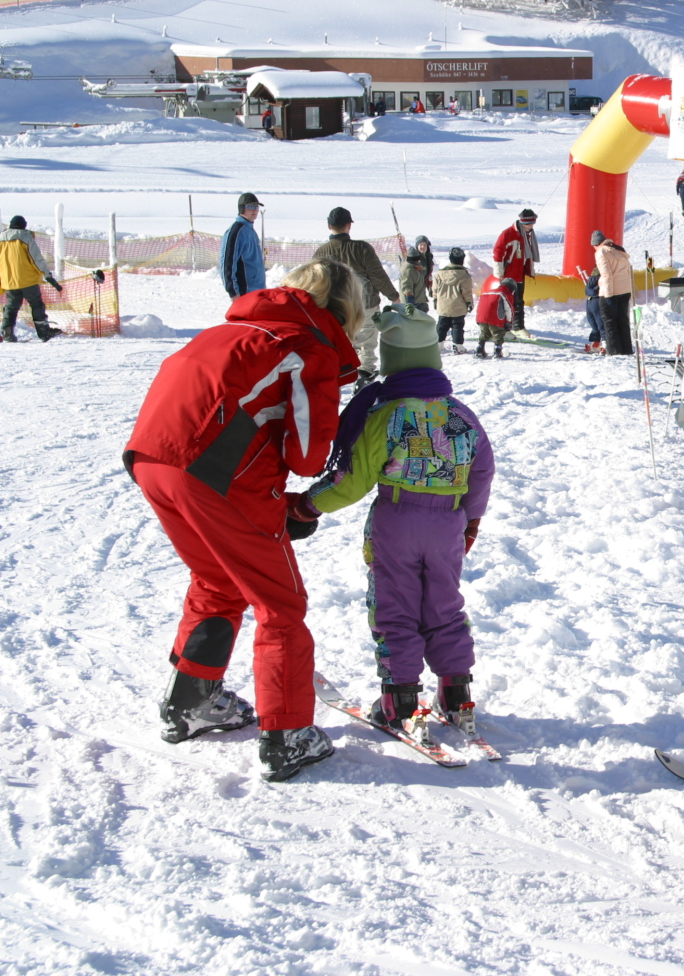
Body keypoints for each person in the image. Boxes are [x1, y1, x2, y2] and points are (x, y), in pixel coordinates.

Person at [124, 259, 364, 782]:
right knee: (280, 604)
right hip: (213, 474)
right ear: (345, 310)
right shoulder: (306, 348)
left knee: (216, 579)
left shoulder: (233, 328)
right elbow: (305, 455)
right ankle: (287, 734)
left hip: (152, 459)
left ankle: (190, 700)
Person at [292, 305, 495, 737]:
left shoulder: (387, 414)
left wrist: (309, 504)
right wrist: (471, 519)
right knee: (443, 603)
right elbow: (482, 468)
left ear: (391, 360)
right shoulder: (461, 414)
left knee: (394, 605)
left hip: (397, 520)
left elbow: (354, 478)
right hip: (448, 525)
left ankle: (399, 700)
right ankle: (456, 693)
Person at [314, 206, 399, 385]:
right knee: (366, 342)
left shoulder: (320, 253)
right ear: (349, 225)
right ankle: (364, 376)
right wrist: (393, 296)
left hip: (335, 308)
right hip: (365, 304)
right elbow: (377, 275)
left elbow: (314, 283)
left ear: (329, 226)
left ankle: (340, 376)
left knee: (341, 342)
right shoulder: (362, 248)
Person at [0, 216, 63, 343]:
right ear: (23, 225)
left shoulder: (1, 239)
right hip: (27, 279)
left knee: (11, 307)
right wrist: (47, 275)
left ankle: (7, 334)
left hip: (9, 280)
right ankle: (44, 332)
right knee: (36, 304)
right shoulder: (25, 237)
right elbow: (36, 259)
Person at [492, 209, 539, 336]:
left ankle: (517, 326)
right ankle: (504, 327)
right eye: (529, 224)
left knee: (518, 301)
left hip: (520, 274)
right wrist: (499, 273)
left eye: (533, 224)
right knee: (506, 301)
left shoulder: (528, 234)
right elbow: (498, 253)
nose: (531, 226)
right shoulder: (508, 234)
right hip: (508, 274)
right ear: (523, 222)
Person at [592, 230, 633, 356]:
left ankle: (614, 350)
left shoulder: (601, 252)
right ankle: (626, 349)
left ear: (596, 244)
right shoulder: (618, 250)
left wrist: (607, 295)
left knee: (609, 321)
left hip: (610, 290)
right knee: (623, 320)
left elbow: (606, 274)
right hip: (624, 290)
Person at [220, 193, 266, 300]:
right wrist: (233, 292)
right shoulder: (236, 232)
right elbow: (227, 263)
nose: (254, 211)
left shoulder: (250, 230)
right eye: (250, 207)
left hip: (258, 292)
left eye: (256, 207)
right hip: (244, 293)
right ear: (242, 208)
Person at [432, 247, 473, 355]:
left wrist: (435, 299)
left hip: (443, 305)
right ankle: (457, 346)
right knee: (457, 325)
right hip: (458, 306)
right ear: (462, 259)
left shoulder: (439, 274)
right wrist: (469, 303)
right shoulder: (464, 275)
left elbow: (435, 289)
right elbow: (467, 292)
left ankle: (438, 345)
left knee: (442, 325)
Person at [475, 273, 514, 360]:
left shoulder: (487, 292)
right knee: (498, 334)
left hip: (481, 318)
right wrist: (509, 322)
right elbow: (509, 309)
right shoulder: (505, 293)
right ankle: (497, 351)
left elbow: (480, 306)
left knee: (484, 333)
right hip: (495, 319)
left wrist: (478, 319)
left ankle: (479, 349)